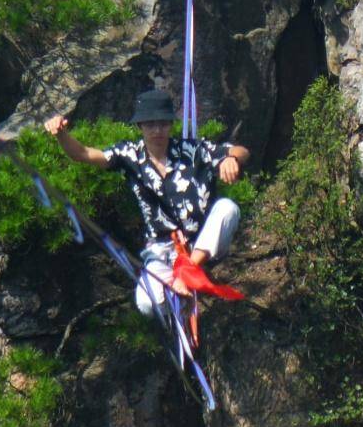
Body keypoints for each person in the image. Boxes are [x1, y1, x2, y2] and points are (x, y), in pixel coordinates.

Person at [45, 87, 249, 357]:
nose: (157, 130)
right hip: (162, 251)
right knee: (145, 303)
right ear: (140, 125)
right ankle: (180, 312)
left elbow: (240, 150)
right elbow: (83, 154)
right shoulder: (131, 156)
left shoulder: (191, 149)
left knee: (227, 208)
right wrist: (61, 134)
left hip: (202, 245)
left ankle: (187, 276)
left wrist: (232, 159)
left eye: (163, 123)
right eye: (151, 124)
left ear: (170, 124)